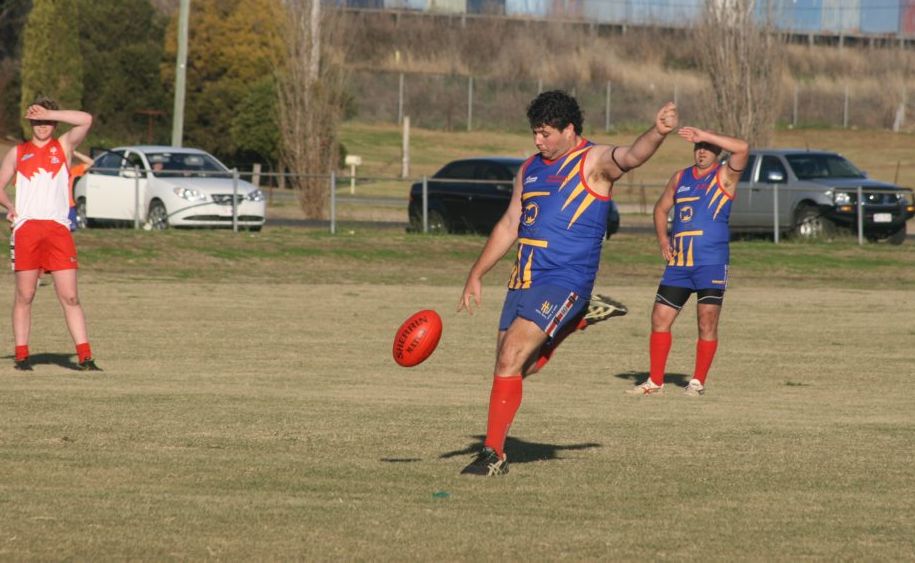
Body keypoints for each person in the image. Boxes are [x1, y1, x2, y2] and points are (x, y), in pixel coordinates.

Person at [456, 90, 679, 476]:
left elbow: (632, 155)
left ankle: (493, 454)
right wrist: (476, 273)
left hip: (565, 278)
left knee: (510, 358)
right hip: (523, 278)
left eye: (545, 133)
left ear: (569, 130)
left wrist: (657, 133)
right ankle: (577, 320)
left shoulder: (593, 161)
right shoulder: (529, 169)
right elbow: (510, 223)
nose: (538, 141)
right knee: (514, 368)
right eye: (535, 133)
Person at [626, 127, 749, 396]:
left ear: (717, 151)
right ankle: (655, 382)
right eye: (698, 147)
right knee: (660, 318)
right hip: (679, 264)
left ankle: (696, 382)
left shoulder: (725, 175)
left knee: (706, 322)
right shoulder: (680, 177)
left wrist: (707, 134)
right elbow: (660, 208)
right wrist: (663, 240)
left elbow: (742, 148)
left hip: (711, 263)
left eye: (708, 147)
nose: (702, 151)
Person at [0, 96, 100, 371]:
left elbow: (86, 119)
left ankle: (85, 357)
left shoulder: (64, 146)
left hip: (57, 230)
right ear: (30, 122)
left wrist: (51, 112)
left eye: (47, 120)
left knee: (70, 296)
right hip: (27, 230)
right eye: (37, 120)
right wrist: (10, 206)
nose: (42, 125)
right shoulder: (18, 152)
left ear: (55, 122)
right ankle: (22, 356)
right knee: (25, 294)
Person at [68, 150, 94, 231]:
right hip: (56, 207)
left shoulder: (75, 170)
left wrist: (75, 153)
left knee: (70, 231)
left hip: (70, 207)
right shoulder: (55, 169)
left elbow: (91, 163)